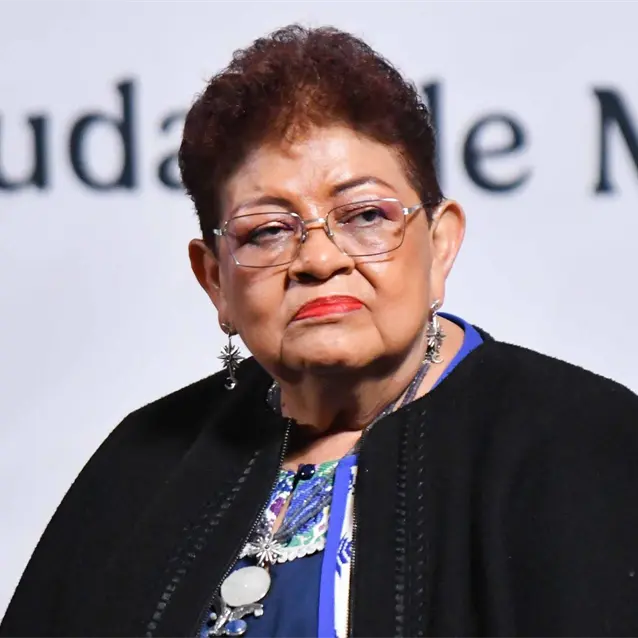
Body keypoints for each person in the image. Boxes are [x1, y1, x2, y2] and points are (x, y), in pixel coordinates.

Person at [2, 24, 638, 638]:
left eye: (364, 215)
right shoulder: (143, 465)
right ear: (215, 279)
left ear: (440, 245)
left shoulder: (583, 442)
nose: (319, 259)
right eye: (267, 231)